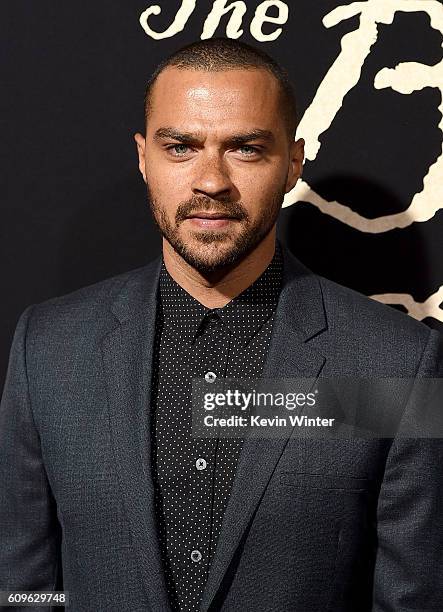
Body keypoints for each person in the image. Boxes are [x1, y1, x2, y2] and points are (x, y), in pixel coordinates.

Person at [0, 37, 442, 612]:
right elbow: (23, 582)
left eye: (246, 149)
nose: (211, 181)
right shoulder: (50, 348)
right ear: (143, 158)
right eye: (181, 147)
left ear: (293, 162)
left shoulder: (397, 364)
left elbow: (414, 599)